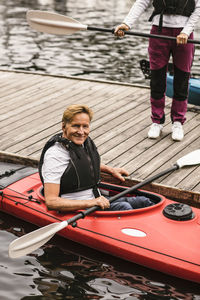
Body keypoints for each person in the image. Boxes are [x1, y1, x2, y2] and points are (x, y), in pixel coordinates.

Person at [39, 104, 154, 212]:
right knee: (125, 207)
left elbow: (81, 165)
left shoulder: (79, 142)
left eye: (85, 126)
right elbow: (51, 202)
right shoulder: (55, 155)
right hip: (80, 208)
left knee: (144, 201)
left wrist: (110, 169)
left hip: (96, 198)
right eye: (75, 126)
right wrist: (90, 202)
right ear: (64, 126)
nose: (81, 132)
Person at [115, 0, 200, 141]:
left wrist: (185, 32)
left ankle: (178, 122)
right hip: (159, 32)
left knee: (182, 79)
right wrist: (127, 24)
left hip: (184, 34)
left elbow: (198, 9)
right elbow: (141, 2)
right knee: (157, 79)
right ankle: (157, 121)